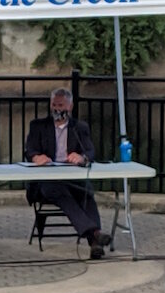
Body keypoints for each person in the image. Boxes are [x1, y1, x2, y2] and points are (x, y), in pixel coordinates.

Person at [25, 88, 112, 259]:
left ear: (70, 106)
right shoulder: (38, 125)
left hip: (72, 177)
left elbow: (90, 151)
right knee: (58, 191)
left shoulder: (79, 127)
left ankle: (94, 243)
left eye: (61, 105)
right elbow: (29, 150)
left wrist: (82, 157)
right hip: (47, 180)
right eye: (54, 105)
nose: (57, 109)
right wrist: (36, 157)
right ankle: (95, 233)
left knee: (85, 190)